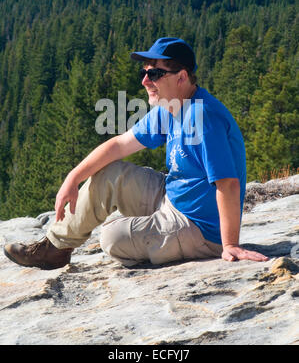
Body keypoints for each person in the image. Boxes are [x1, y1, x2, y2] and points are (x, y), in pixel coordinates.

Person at [4, 37, 269, 270]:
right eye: (144, 72)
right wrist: (72, 178)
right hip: (172, 198)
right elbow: (119, 145)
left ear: (181, 77)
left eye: (154, 74)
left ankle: (169, 236)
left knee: (111, 238)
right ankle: (54, 249)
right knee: (109, 173)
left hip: (198, 228)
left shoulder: (203, 116)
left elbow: (228, 184)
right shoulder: (172, 107)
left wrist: (230, 244)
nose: (145, 81)